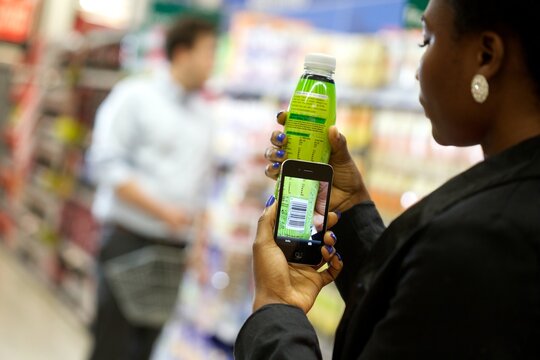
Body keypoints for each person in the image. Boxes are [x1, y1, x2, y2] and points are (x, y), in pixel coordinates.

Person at [235, 0, 540, 358]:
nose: (416, 71)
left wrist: (275, 312)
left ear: (486, 56)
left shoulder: (482, 237)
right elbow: (422, 314)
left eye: (427, 40)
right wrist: (351, 209)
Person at [86, 17, 217, 360]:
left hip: (173, 251)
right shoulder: (136, 96)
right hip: (128, 240)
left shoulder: (205, 117)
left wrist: (198, 246)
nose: (212, 63)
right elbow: (106, 164)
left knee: (146, 349)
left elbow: (202, 186)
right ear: (182, 52)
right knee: (111, 347)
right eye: (208, 52)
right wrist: (162, 212)